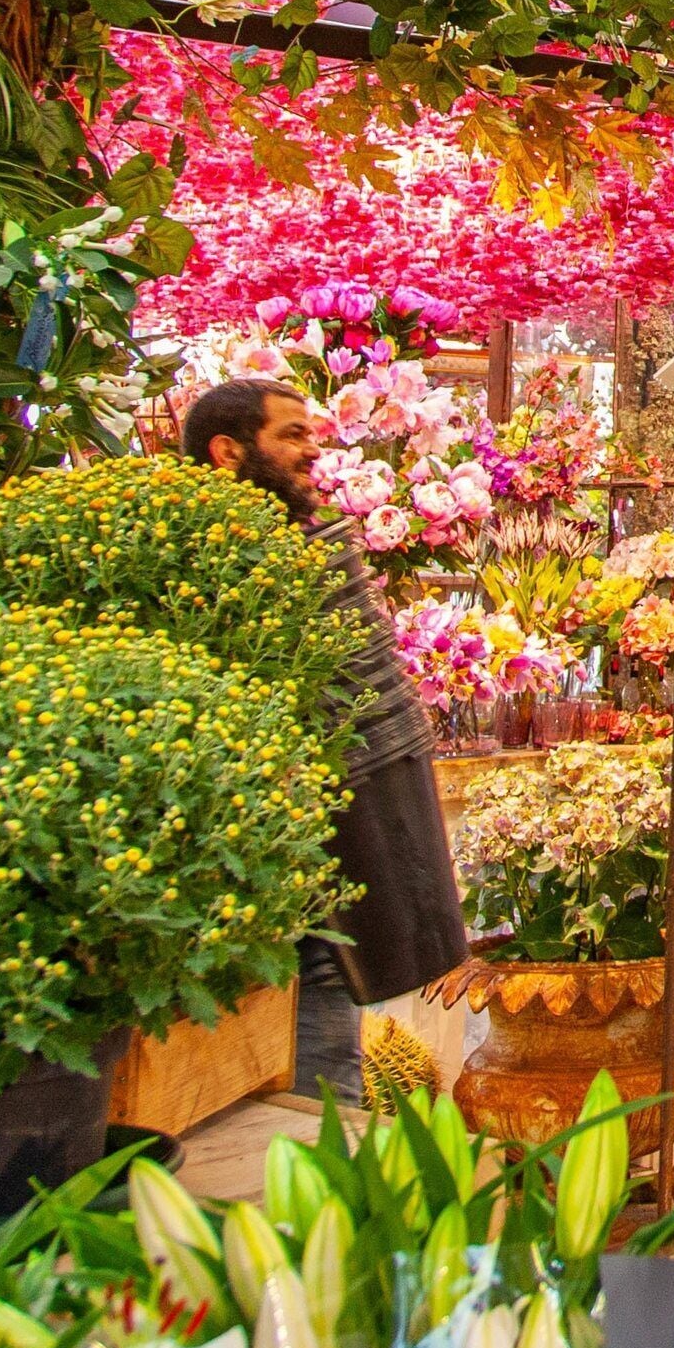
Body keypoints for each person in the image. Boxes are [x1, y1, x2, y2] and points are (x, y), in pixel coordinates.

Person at [181, 376, 470, 1100]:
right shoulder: (200, 558)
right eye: (293, 435)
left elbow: (366, 697)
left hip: (330, 831)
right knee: (297, 1026)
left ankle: (322, 1161)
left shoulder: (311, 547)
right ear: (227, 451)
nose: (315, 450)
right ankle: (317, 1172)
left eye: (313, 432)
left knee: (326, 1000)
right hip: (252, 843)